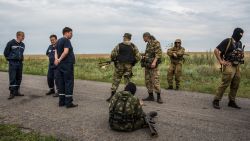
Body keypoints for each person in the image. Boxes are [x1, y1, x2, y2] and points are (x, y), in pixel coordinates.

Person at [213, 28, 244, 109]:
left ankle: (231, 101)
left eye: (242, 35)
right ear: (235, 33)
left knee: (236, 83)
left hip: (237, 66)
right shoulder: (228, 41)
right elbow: (216, 50)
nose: (240, 36)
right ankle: (216, 100)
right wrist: (221, 61)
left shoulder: (240, 43)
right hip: (229, 65)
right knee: (225, 83)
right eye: (240, 34)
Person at [106, 33, 141, 102]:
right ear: (130, 38)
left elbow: (113, 54)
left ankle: (112, 96)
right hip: (128, 66)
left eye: (124, 37)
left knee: (116, 80)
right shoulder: (133, 46)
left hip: (119, 65)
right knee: (127, 81)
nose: (123, 38)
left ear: (125, 37)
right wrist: (133, 62)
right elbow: (138, 57)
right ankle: (128, 97)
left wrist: (114, 60)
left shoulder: (119, 45)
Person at [54, 27, 78, 108]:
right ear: (66, 33)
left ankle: (62, 102)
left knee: (61, 83)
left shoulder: (59, 41)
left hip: (60, 66)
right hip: (67, 65)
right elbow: (66, 51)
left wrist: (56, 59)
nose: (72, 35)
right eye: (71, 33)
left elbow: (56, 51)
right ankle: (68, 103)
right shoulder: (66, 40)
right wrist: (60, 59)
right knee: (68, 82)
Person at [141, 32, 163, 104]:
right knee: (148, 81)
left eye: (143, 38)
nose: (143, 39)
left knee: (155, 80)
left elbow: (158, 53)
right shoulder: (148, 44)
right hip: (148, 65)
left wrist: (154, 62)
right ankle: (150, 96)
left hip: (153, 65)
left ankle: (159, 97)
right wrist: (143, 56)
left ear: (146, 36)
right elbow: (148, 53)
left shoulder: (156, 42)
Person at [4, 31, 25, 100]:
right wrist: (10, 59)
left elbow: (21, 53)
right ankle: (12, 93)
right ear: (18, 36)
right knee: (12, 78)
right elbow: (6, 53)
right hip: (13, 63)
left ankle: (16, 91)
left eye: (24, 36)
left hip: (20, 63)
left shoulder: (23, 45)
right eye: (22, 36)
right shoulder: (11, 43)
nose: (24, 37)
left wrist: (22, 59)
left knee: (19, 77)